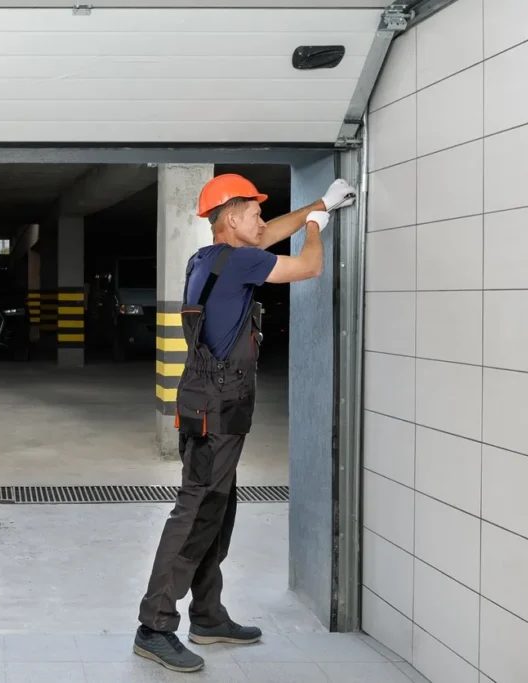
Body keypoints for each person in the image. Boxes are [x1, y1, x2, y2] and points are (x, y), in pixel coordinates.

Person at [133, 173, 357, 673]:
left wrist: (319, 203)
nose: (261, 218)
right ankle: (154, 626)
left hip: (208, 403)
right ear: (231, 218)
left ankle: (208, 616)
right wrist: (317, 226)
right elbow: (308, 266)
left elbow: (268, 236)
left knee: (217, 509)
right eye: (254, 211)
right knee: (196, 512)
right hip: (218, 406)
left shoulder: (211, 259)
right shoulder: (241, 261)